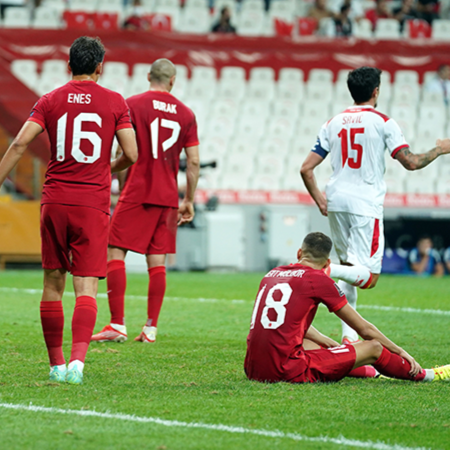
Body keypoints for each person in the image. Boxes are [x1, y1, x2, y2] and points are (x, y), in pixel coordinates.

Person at [0, 36, 138, 385]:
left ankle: (55, 365)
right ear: (100, 66)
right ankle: (77, 365)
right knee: (86, 287)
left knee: (53, 283)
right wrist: (104, 168)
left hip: (55, 200)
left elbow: (21, 142)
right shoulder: (115, 102)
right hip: (91, 204)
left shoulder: (50, 99)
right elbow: (132, 153)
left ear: (69, 66)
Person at [300, 66, 450, 343]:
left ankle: (349, 339)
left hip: (336, 200)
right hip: (364, 202)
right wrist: (441, 148)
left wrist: (320, 198)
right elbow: (411, 162)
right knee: (368, 276)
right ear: (376, 91)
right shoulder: (383, 122)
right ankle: (323, 269)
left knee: (351, 268)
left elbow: (306, 168)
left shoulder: (332, 122)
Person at [245, 231, 450, 384]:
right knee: (373, 347)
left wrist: (328, 342)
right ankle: (427, 375)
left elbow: (290, 322)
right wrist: (400, 351)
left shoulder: (271, 274)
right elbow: (365, 330)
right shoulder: (318, 279)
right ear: (328, 262)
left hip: (253, 368)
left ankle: (374, 372)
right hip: (285, 371)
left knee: (312, 345)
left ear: (299, 253)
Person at [91, 59, 200, 344]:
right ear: (173, 81)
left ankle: (117, 324)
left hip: (138, 190)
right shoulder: (186, 114)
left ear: (148, 76)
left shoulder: (132, 104)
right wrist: (188, 199)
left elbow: (123, 151)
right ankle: (150, 328)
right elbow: (194, 162)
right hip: (167, 196)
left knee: (115, 252)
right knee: (157, 260)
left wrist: (120, 185)